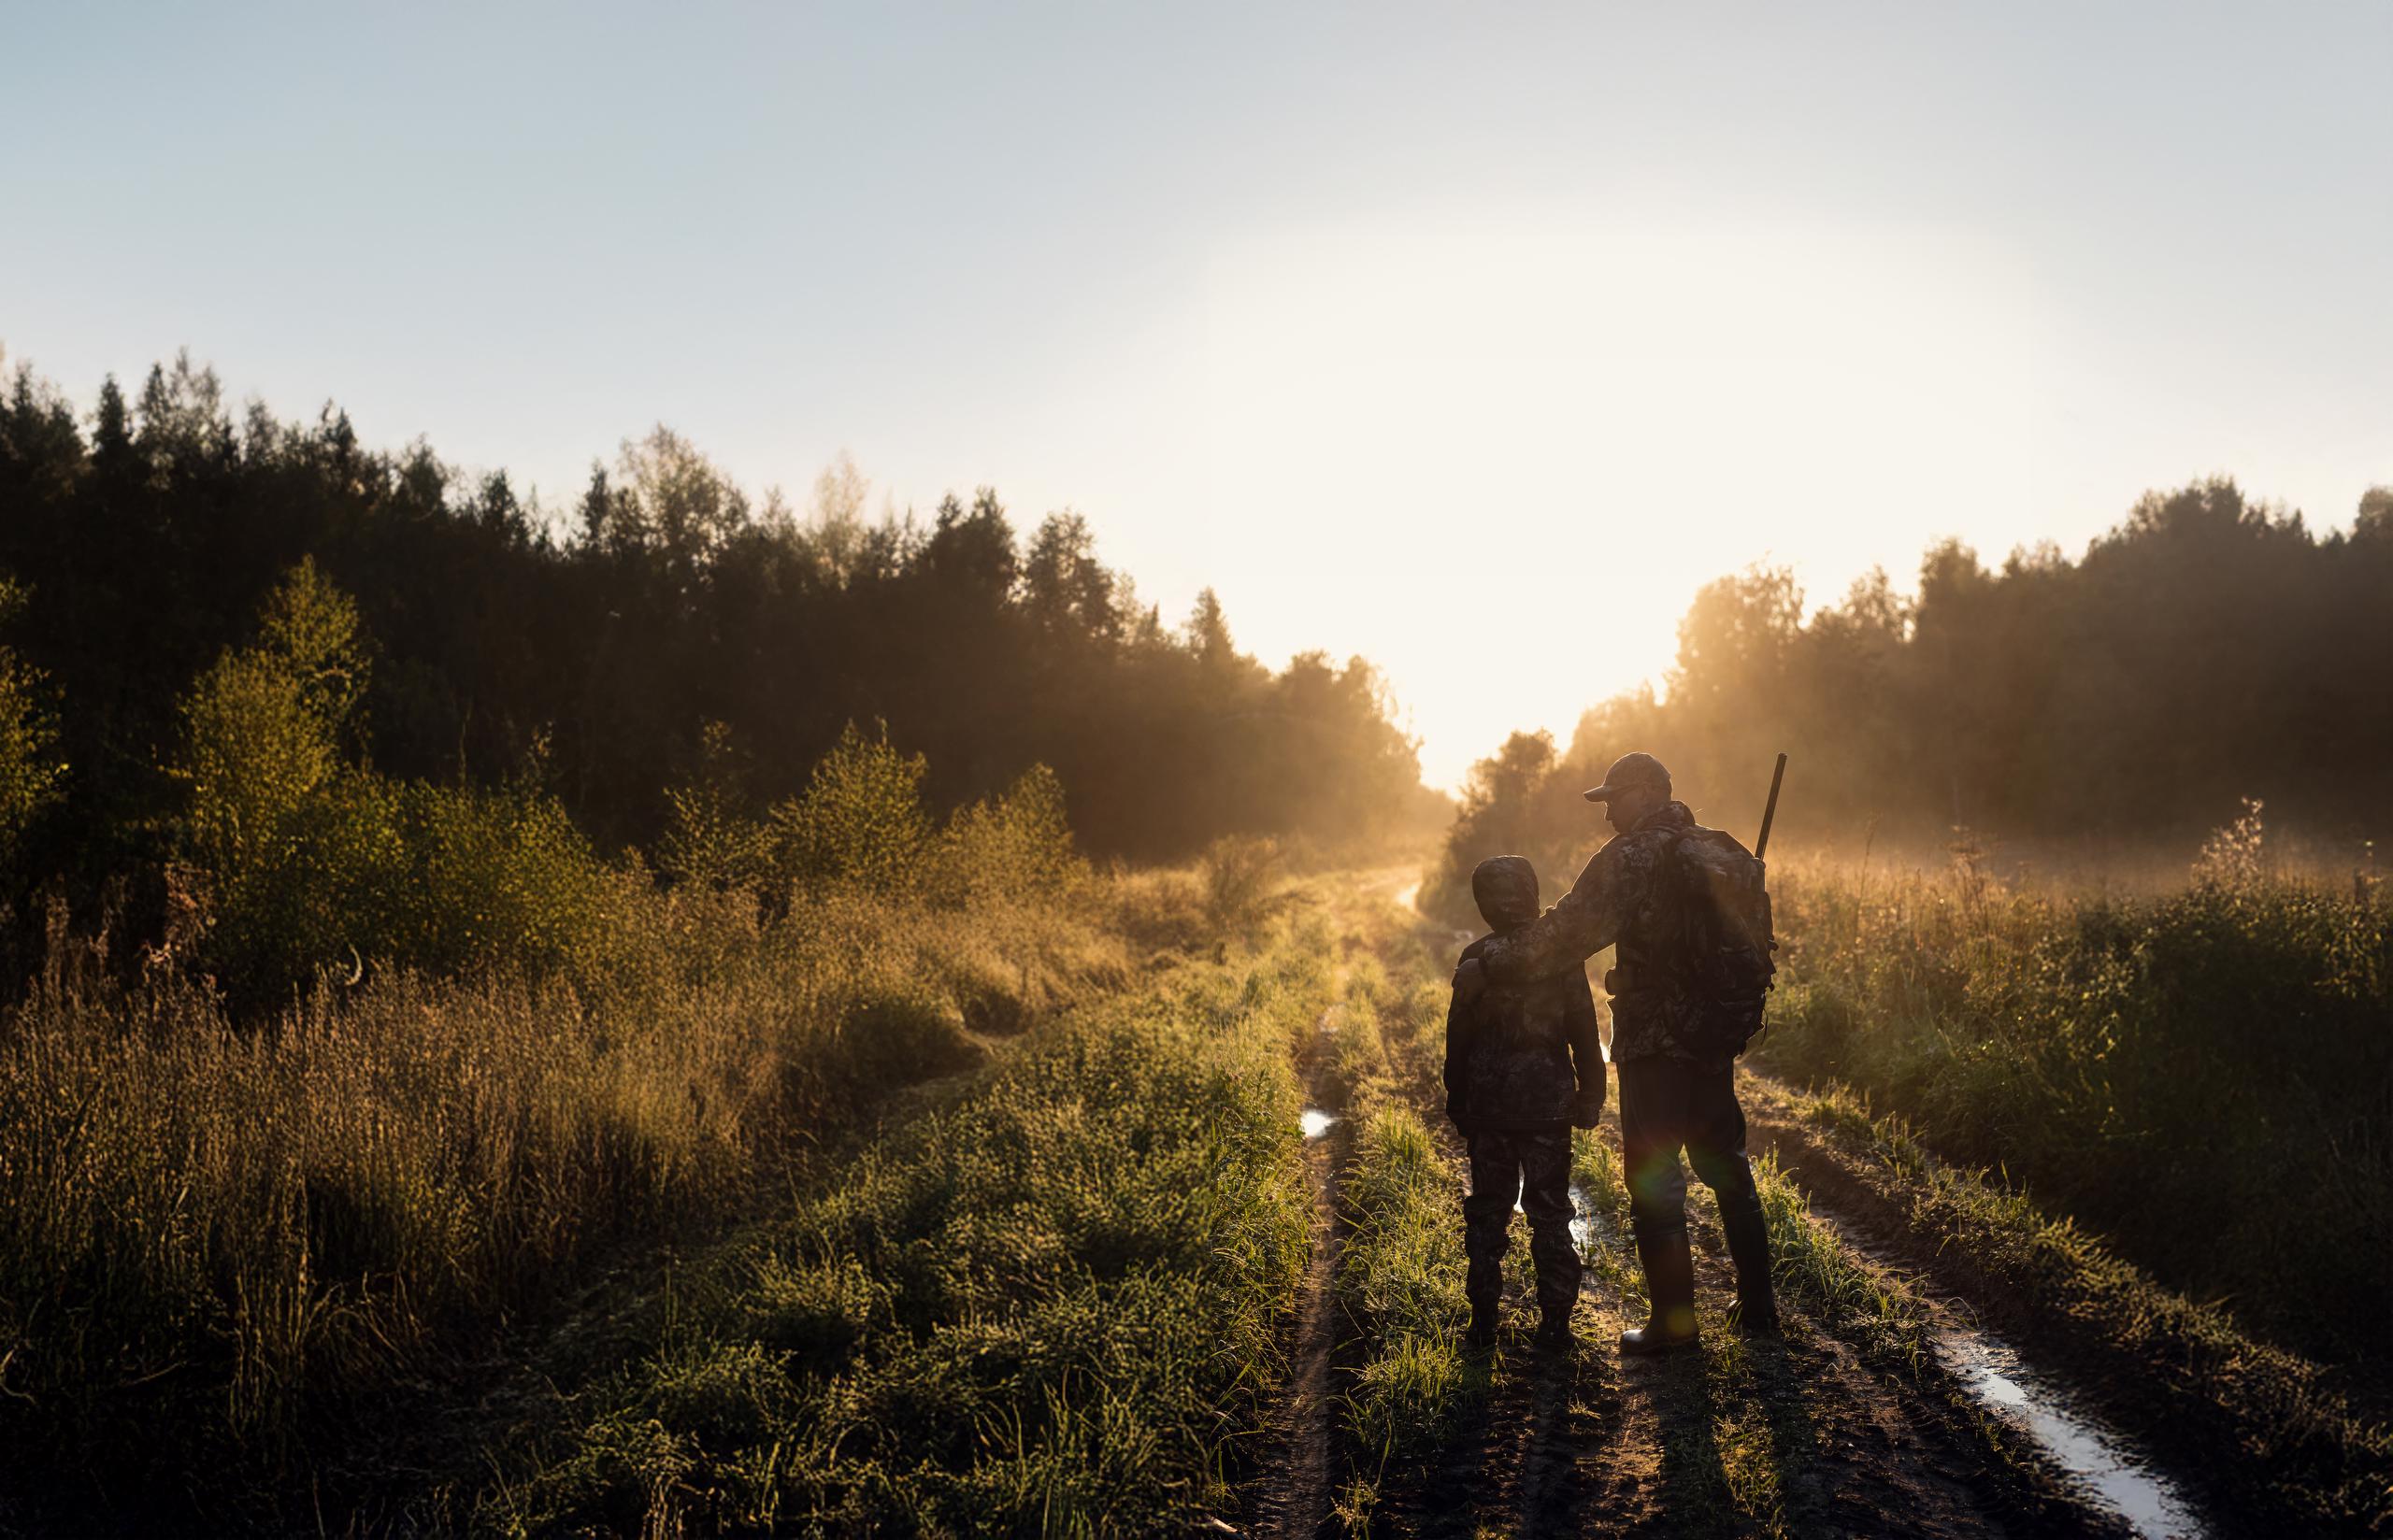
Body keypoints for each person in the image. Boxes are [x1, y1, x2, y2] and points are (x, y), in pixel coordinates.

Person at [1452, 751, 1780, 1355]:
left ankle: (1672, 1329)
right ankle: (1759, 1307)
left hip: (1655, 1042)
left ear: (1649, 792)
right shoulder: (1721, 848)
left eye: (1615, 801)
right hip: (1713, 1039)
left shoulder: (1633, 857)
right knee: (1726, 1165)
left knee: (1655, 1181)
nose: (1607, 819)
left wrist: (1489, 964)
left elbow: (1565, 936)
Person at [1443, 854, 1606, 1353]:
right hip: (1548, 1109)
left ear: (1484, 903)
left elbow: (1459, 1039)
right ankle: (1556, 1326)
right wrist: (1591, 1093)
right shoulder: (1559, 959)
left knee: (1489, 1212)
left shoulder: (1477, 957)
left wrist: (1458, 1100)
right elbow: (1584, 1031)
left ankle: (1483, 1324)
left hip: (1491, 1110)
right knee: (1551, 1213)